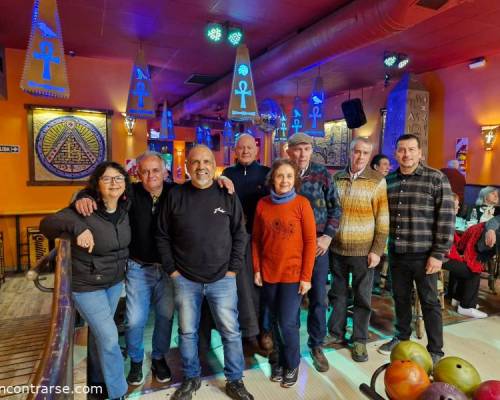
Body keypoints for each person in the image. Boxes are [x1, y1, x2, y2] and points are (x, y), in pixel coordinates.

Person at [75, 151, 235, 386]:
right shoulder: (129, 193)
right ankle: (138, 360)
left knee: (165, 318)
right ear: (138, 173)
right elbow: (102, 188)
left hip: (171, 270)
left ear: (165, 172)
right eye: (145, 171)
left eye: (156, 170)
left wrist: (222, 180)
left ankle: (159, 358)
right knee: (135, 319)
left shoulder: (176, 191)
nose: (151, 175)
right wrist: (82, 194)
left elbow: (202, 185)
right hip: (139, 267)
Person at [156, 145, 253, 400]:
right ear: (187, 166)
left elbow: (240, 234)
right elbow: (162, 236)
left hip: (223, 278)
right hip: (185, 279)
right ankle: (191, 378)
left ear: (214, 165)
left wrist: (233, 269)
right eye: (195, 162)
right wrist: (173, 271)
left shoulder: (227, 193)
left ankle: (235, 380)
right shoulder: (175, 195)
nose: (201, 167)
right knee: (187, 332)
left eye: (206, 162)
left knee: (230, 332)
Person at [40, 161, 131, 400]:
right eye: (107, 179)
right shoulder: (84, 208)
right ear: (97, 185)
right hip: (87, 287)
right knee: (111, 337)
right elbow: (47, 224)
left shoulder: (125, 209)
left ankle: (98, 384)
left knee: (102, 334)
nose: (114, 183)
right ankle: (118, 392)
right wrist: (79, 228)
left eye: (119, 178)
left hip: (113, 283)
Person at [378, 134, 454, 365]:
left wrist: (438, 254)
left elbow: (446, 217)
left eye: (411, 149)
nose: (406, 154)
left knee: (430, 302)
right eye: (402, 149)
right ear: (395, 153)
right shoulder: (388, 181)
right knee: (399, 298)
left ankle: (436, 350)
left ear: (420, 153)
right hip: (397, 252)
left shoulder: (436, 179)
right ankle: (401, 337)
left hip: (425, 255)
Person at [252, 158, 316, 387]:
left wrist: (306, 276)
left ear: (295, 180)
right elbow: (256, 241)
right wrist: (257, 269)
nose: (285, 180)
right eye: (280, 176)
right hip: (269, 274)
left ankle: (292, 363)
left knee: (287, 323)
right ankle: (277, 360)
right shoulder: (262, 205)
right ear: (273, 179)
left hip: (293, 275)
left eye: (289, 176)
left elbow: (310, 242)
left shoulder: (302, 204)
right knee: (271, 321)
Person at [328, 137, 389, 362]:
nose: (360, 156)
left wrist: (377, 250)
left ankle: (360, 340)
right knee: (338, 294)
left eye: (365, 153)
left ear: (368, 155)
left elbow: (383, 218)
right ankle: (335, 333)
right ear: (349, 152)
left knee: (363, 298)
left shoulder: (377, 181)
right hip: (337, 249)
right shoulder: (336, 178)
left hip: (364, 251)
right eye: (356, 152)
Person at [285, 132, 342, 373]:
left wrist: (328, 236)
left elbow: (336, 208)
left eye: (306, 149)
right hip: (289, 247)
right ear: (289, 151)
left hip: (318, 247)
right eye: (297, 149)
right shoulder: (281, 173)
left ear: (311, 151)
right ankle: (290, 348)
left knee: (319, 297)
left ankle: (316, 344)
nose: (301, 154)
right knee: (291, 299)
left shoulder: (322, 174)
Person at [221, 134, 270, 353]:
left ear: (256, 151)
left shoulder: (267, 173)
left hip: (262, 239)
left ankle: (264, 330)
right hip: (235, 239)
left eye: (249, 147)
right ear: (235, 151)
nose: (246, 151)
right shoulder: (227, 174)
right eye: (241, 148)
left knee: (262, 286)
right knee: (241, 288)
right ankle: (246, 330)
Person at [443, 193, 487, 318]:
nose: (458, 209)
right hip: (440, 258)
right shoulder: (444, 220)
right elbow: (447, 247)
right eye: (455, 207)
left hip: (444, 255)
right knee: (472, 270)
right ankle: (466, 306)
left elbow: (454, 240)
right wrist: (461, 257)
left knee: (469, 265)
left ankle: (458, 298)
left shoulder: (448, 218)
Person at [370, 153, 391, 294]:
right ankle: (373, 284)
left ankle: (384, 284)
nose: (387, 168)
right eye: (384, 164)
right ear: (375, 166)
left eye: (388, 165)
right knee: (374, 252)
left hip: (387, 224)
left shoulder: (389, 182)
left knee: (384, 254)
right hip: (371, 225)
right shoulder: (370, 182)